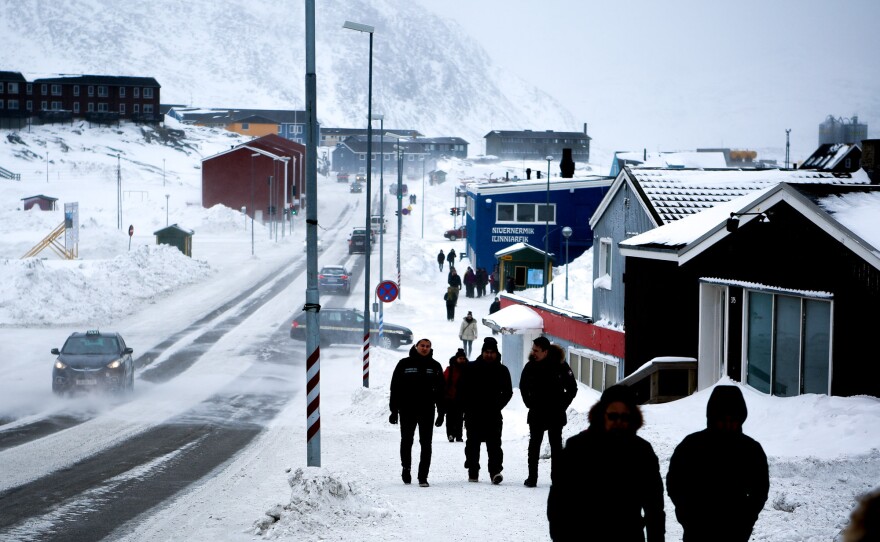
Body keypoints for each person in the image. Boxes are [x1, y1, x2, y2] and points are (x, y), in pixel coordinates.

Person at [547, 384, 665, 542]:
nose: (619, 422)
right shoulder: (577, 448)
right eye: (613, 416)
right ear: (602, 414)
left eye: (625, 417)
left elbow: (654, 508)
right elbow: (559, 503)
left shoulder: (642, 452)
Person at [666, 385, 769, 542]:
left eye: (733, 420)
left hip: (736, 533)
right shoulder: (691, 446)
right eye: (722, 419)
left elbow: (760, 490)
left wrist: (746, 520)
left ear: (741, 418)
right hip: (696, 532)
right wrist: (688, 517)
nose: (727, 425)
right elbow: (675, 484)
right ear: (712, 417)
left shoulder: (751, 450)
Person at [519, 336, 578, 487]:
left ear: (545, 352)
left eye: (536, 351)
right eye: (533, 350)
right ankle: (532, 478)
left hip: (555, 413)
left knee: (556, 447)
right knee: (534, 446)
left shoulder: (560, 366)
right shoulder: (530, 367)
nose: (533, 353)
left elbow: (572, 388)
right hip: (536, 412)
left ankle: (556, 479)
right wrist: (529, 403)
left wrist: (562, 405)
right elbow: (523, 386)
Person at [388, 338, 446, 488]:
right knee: (407, 441)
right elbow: (395, 388)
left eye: (427, 346)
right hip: (407, 409)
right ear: (416, 346)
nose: (425, 348)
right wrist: (394, 410)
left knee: (426, 443)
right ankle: (406, 468)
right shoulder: (404, 364)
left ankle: (423, 476)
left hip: (427, 410)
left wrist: (441, 412)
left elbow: (441, 391)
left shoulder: (435, 366)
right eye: (422, 346)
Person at [457, 337, 513, 485]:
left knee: (494, 445)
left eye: (492, 352)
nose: (489, 355)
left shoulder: (502, 370)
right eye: (486, 352)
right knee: (472, 444)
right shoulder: (471, 368)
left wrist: (497, 405)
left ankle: (495, 472)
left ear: (496, 353)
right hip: (473, 413)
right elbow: (461, 389)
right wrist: (466, 407)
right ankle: (473, 471)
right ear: (482, 352)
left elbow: (508, 392)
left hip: (493, 414)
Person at [443, 348, 468, 443]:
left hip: (462, 398)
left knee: (459, 418)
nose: (462, 360)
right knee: (450, 417)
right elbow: (443, 382)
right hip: (450, 398)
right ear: (456, 359)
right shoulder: (450, 370)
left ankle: (458, 435)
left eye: (463, 358)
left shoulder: (467, 370)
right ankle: (450, 434)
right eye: (460, 358)